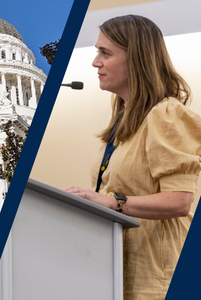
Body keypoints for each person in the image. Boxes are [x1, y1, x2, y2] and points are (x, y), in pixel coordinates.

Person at [63, 15, 201, 300]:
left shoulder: (166, 114)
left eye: (105, 53)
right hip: (115, 275)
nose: (95, 62)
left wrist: (113, 201)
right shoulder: (122, 125)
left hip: (156, 280)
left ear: (136, 59)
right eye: (96, 52)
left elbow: (180, 200)